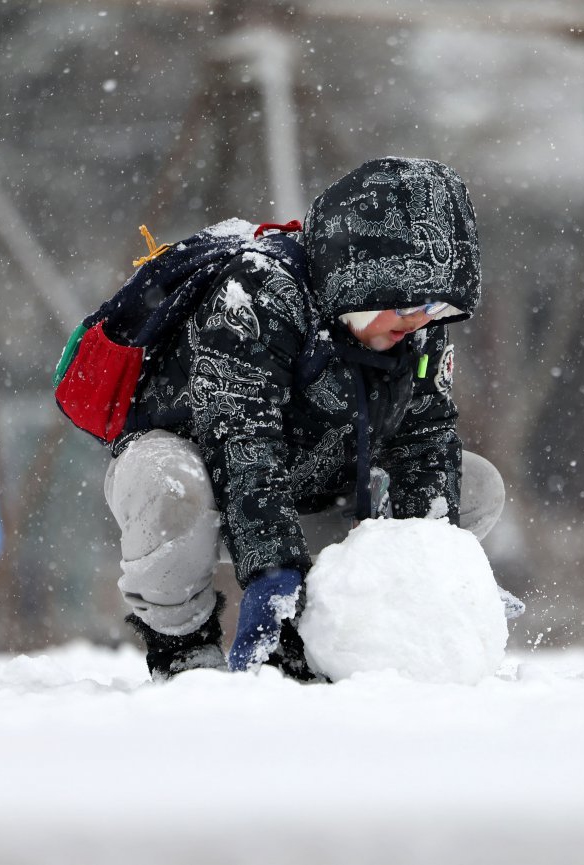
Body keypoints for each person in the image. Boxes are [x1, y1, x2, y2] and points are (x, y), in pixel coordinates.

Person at [101, 157, 505, 681]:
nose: (424, 320)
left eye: (437, 308)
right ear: (363, 277)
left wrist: (434, 580)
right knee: (167, 485)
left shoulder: (415, 327)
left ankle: (349, 635)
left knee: (475, 487)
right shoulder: (256, 292)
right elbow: (242, 441)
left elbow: (425, 442)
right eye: (413, 305)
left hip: (322, 491)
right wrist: (274, 573)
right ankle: (182, 647)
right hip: (213, 489)